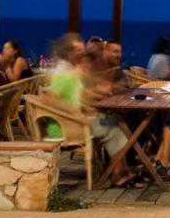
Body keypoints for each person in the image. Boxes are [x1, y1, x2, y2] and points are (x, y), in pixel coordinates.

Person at [43, 33, 139, 187]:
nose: (84, 52)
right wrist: (75, 113)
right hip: (65, 127)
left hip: (72, 122)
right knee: (115, 129)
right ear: (69, 53)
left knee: (116, 121)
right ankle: (118, 174)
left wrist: (94, 98)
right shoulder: (64, 74)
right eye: (79, 50)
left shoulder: (71, 71)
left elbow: (76, 94)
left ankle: (122, 171)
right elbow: (48, 97)